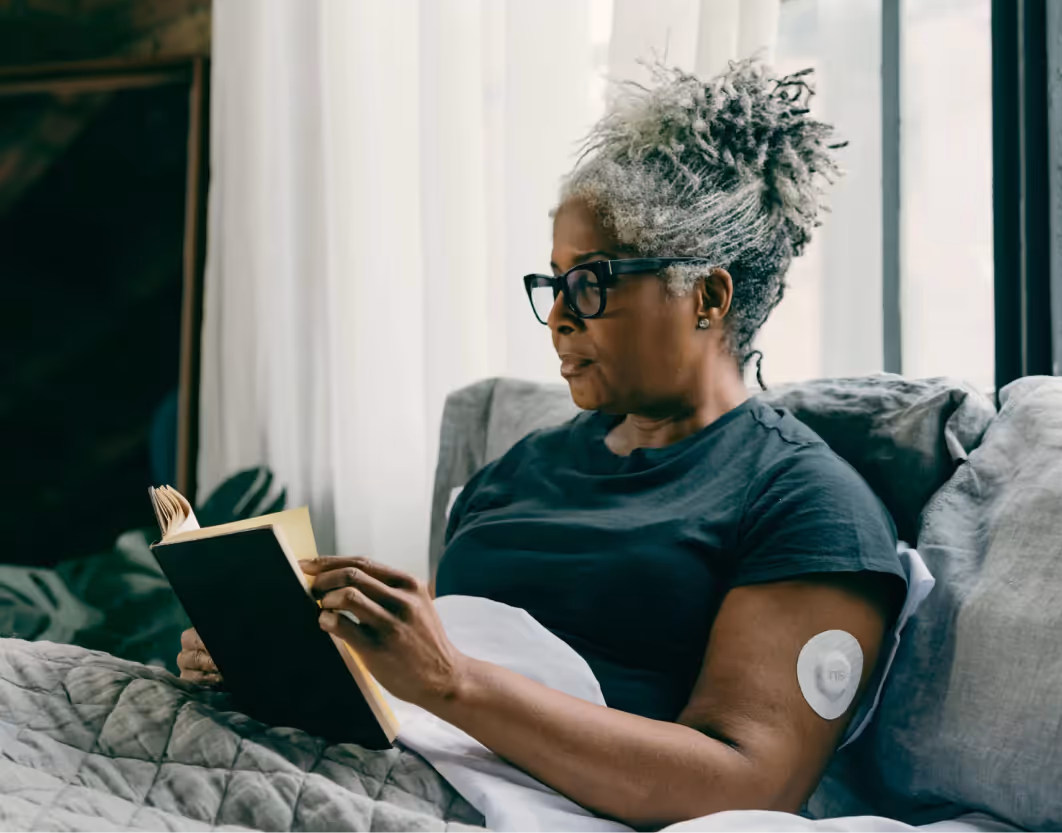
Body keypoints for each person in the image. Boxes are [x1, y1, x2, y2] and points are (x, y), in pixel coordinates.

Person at [178, 61, 906, 828]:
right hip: (379, 756)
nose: (559, 316)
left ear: (708, 295)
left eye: (591, 282)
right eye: (553, 282)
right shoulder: (521, 467)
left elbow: (748, 787)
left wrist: (452, 681)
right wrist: (288, 658)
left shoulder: (807, 503)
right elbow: (430, 670)